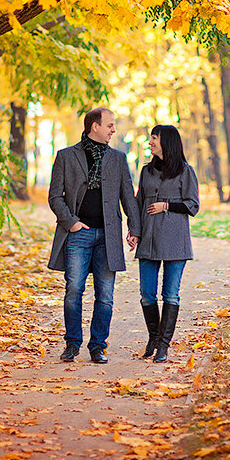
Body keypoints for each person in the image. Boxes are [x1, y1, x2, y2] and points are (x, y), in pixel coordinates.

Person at [48, 108, 141, 364]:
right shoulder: (66, 157)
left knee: (105, 296)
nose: (113, 130)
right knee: (73, 290)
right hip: (78, 235)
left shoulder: (118, 159)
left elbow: (128, 198)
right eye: (110, 125)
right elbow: (55, 196)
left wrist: (135, 229)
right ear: (95, 126)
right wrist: (72, 223)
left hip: (108, 237)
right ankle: (72, 344)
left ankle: (98, 346)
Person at [128, 125, 199, 363]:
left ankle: (163, 346)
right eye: (150, 139)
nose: (150, 143)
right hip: (148, 239)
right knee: (147, 293)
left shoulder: (185, 171)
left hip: (175, 241)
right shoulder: (146, 171)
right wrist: (134, 232)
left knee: (171, 294)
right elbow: (138, 204)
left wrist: (166, 205)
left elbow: (193, 206)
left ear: (166, 141)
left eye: (154, 139)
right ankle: (154, 337)